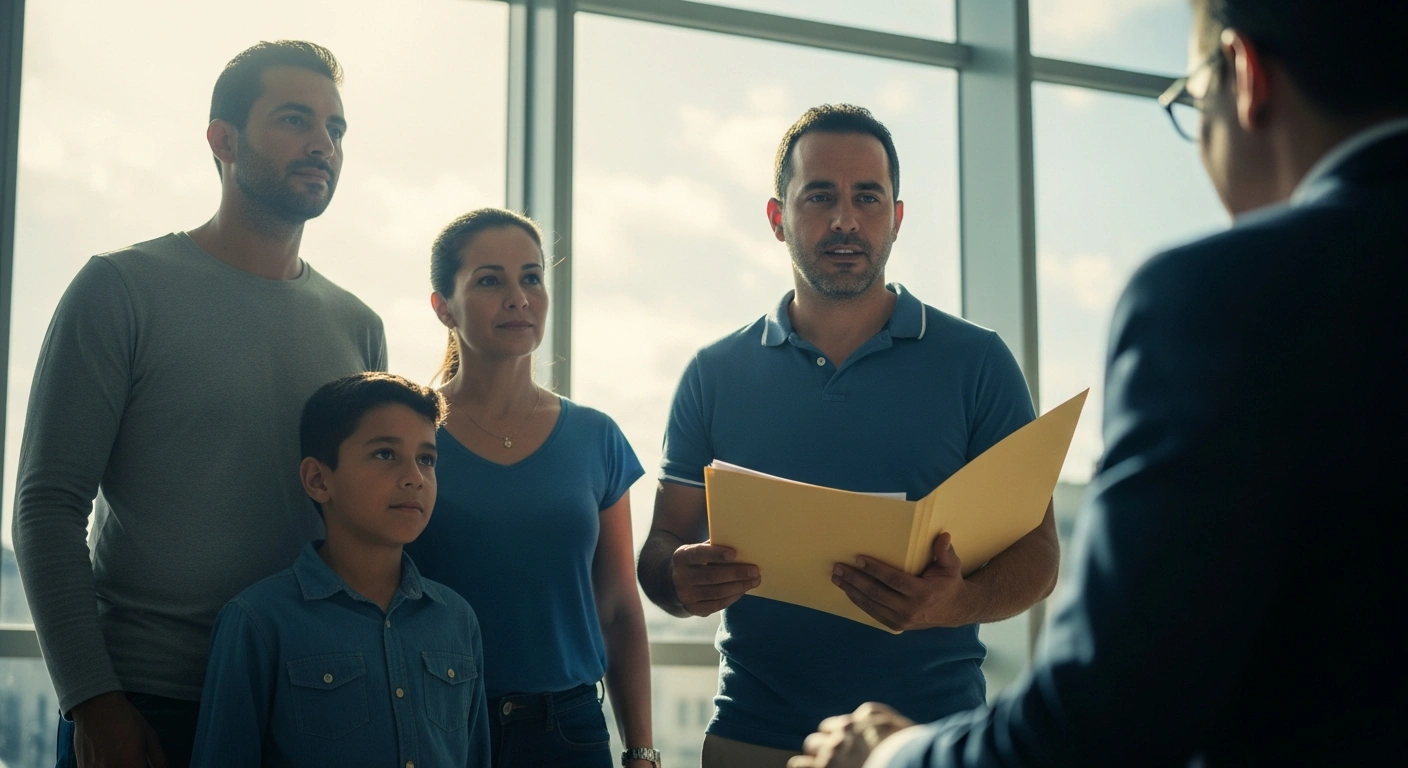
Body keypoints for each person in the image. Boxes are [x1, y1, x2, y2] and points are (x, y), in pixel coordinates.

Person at [791, 1, 1408, 766]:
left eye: (1193, 96)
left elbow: (1105, 722)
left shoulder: (1218, 300)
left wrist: (887, 756)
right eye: (820, 195)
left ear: (1245, 76)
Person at [636, 104, 1061, 768]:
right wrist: (678, 580)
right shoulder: (712, 373)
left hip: (927, 742)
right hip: (752, 737)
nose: (844, 219)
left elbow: (1039, 555)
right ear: (778, 219)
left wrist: (961, 601)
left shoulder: (978, 363)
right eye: (819, 197)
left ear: (896, 215)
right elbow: (659, 550)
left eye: (867, 197)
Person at [11, 41, 386, 768]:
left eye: (335, 129)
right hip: (146, 706)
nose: (322, 144)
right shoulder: (119, 290)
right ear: (223, 139)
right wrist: (94, 703)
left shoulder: (357, 324)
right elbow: (47, 507)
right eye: (293, 119)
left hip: (313, 700)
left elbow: (363, 524)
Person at [403, 208, 658, 768]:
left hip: (567, 732)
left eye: (532, 277)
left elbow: (617, 608)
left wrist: (641, 750)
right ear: (443, 306)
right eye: (490, 280)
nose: (518, 296)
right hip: (435, 722)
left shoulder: (597, 437)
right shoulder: (409, 435)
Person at [190, 372, 489, 767]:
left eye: (426, 459)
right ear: (318, 479)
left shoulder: (456, 619)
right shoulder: (259, 622)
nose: (415, 478)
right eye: (385, 454)